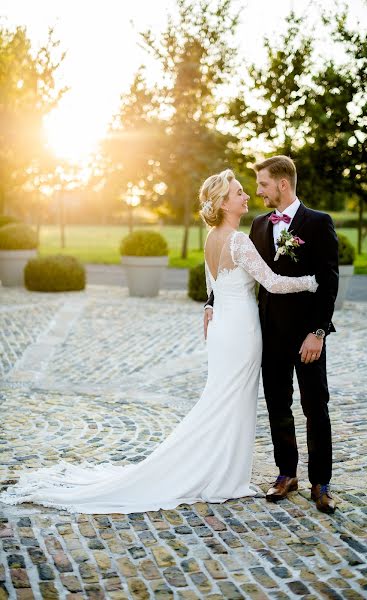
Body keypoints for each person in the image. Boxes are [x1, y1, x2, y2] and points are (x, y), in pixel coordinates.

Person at [0, 169, 317, 515]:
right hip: (240, 331)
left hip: (224, 329)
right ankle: (221, 475)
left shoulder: (211, 238)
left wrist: (211, 307)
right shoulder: (238, 241)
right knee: (231, 400)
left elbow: (213, 288)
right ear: (225, 204)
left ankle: (222, 470)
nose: (246, 197)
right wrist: (312, 282)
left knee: (223, 398)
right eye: (239, 192)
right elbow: (271, 282)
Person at [205, 156, 339, 514]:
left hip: (307, 336)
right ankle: (286, 474)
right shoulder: (259, 226)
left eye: (263, 184)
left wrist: (318, 331)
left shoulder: (319, 223)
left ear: (282, 184)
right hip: (267, 335)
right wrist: (210, 302)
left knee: (315, 406)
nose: (258, 191)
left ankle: (321, 483)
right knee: (278, 406)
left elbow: (329, 282)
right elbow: (236, 272)